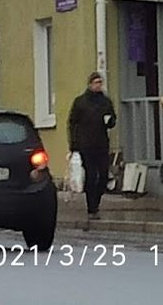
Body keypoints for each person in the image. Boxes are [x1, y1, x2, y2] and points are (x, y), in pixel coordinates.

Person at [68, 71, 117, 218]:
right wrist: (74, 144)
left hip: (101, 143)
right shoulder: (81, 102)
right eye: (96, 83)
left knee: (102, 175)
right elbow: (72, 123)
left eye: (100, 83)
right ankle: (92, 207)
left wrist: (110, 121)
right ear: (90, 84)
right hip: (86, 144)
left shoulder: (105, 101)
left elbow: (112, 120)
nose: (99, 85)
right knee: (91, 175)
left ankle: (97, 200)